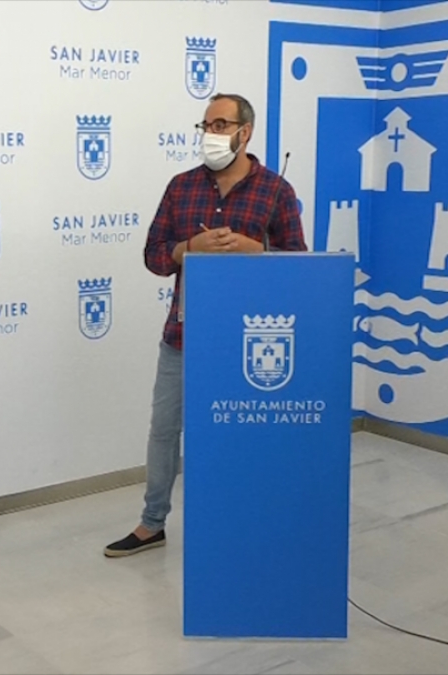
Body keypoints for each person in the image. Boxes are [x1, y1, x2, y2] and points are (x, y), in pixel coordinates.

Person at [104, 93, 306, 557]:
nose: (210, 134)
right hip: (184, 336)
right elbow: (154, 256)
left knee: (237, 435)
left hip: (246, 342)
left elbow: (299, 266)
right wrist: (188, 248)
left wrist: (257, 250)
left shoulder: (276, 190)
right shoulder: (181, 187)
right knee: (163, 430)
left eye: (220, 125)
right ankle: (151, 523)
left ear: (244, 132)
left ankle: (237, 521)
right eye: (206, 125)